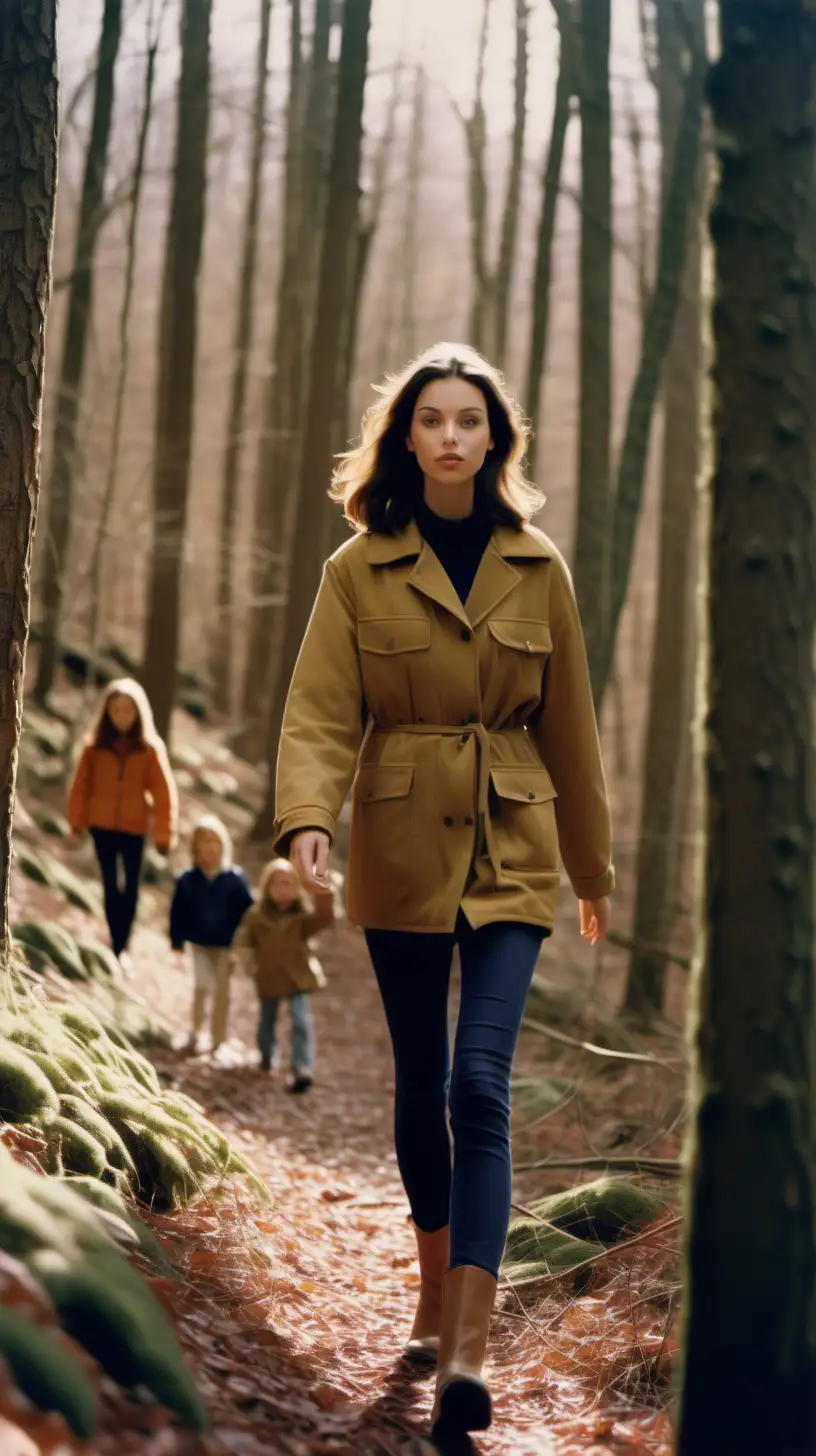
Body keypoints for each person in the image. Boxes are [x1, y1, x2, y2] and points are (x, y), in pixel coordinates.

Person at [272, 342, 615, 1441]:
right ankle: (426, 1289)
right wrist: (308, 820)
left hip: (515, 844)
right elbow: (322, 710)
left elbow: (575, 732)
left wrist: (594, 870)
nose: (453, 436)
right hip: (403, 839)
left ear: (497, 438)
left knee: (481, 1080)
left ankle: (469, 1345)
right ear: (407, 437)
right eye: (433, 419)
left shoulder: (539, 565)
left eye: (472, 419)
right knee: (420, 1078)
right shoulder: (355, 568)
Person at [68, 678, 177, 973]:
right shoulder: (94, 749)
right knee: (109, 886)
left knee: (130, 888)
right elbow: (80, 786)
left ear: (138, 713)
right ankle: (115, 943)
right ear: (108, 712)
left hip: (134, 827)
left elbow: (164, 794)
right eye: (117, 710)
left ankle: (122, 944)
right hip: (102, 825)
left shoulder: (149, 750)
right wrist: (76, 822)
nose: (122, 716)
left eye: (128, 710)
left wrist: (165, 836)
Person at [234, 858, 333, 1092]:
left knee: (301, 1021)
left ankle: (302, 1068)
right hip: (268, 977)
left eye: (288, 884)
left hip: (296, 977)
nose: (282, 890)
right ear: (267, 887)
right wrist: (248, 959)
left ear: (297, 888)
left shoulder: (302, 919)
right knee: (267, 1021)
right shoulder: (256, 916)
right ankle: (267, 1057)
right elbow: (244, 939)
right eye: (277, 884)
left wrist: (323, 889)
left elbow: (324, 917)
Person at [169, 814, 254, 1055]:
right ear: (195, 848)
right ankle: (195, 1032)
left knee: (222, 993)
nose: (209, 847)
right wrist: (177, 941)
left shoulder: (234, 880)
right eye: (203, 841)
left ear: (223, 845)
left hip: (226, 945)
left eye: (214, 841)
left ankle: (219, 1038)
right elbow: (178, 912)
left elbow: (248, 913)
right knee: (202, 986)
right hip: (199, 944)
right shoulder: (188, 880)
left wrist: (245, 945)